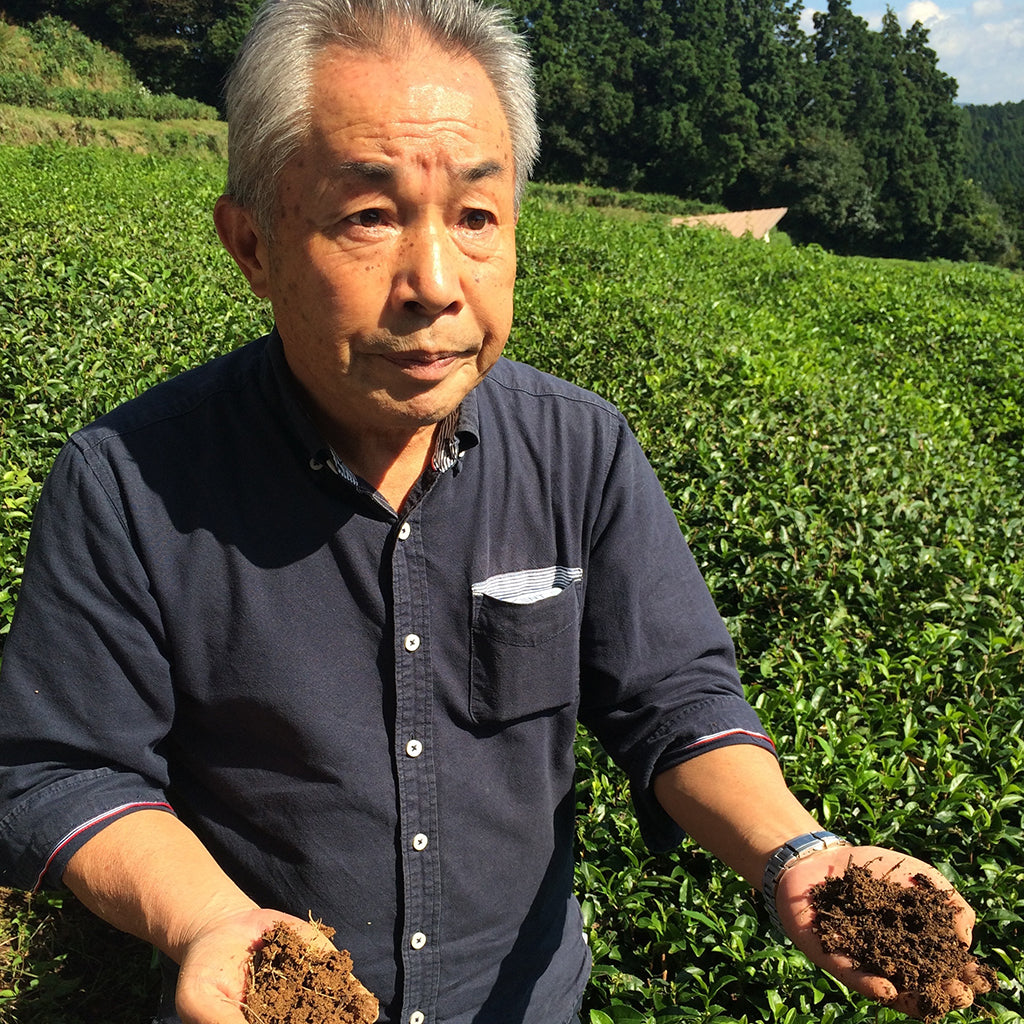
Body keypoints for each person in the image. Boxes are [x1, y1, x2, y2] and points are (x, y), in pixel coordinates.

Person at [0, 2, 985, 1023]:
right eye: (368, 216)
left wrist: (798, 851)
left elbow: (673, 698)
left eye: (475, 217)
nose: (434, 283)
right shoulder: (128, 481)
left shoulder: (580, 450)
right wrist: (212, 921)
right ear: (251, 244)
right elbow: (67, 767)